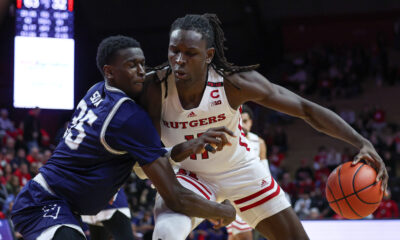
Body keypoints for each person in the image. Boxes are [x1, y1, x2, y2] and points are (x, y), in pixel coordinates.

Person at [141, 14, 388, 240]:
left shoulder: (233, 83)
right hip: (188, 174)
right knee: (165, 234)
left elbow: (306, 109)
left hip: (239, 170)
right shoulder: (155, 87)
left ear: (209, 55)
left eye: (190, 53)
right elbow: (149, 156)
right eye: (174, 51)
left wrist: (362, 142)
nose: (179, 60)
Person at [10, 35, 236, 240]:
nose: (140, 71)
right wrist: (221, 211)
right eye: (131, 65)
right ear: (109, 71)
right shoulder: (127, 117)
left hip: (61, 201)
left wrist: (191, 144)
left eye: (141, 63)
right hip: (44, 202)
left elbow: (149, 155)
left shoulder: (97, 90)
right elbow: (175, 197)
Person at [226, 105, 267, 240]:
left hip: (251, 194)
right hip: (231, 195)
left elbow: (265, 170)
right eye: (239, 121)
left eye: (245, 121)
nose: (242, 125)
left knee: (236, 236)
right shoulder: (228, 140)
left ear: (251, 122)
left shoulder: (259, 142)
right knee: (242, 236)